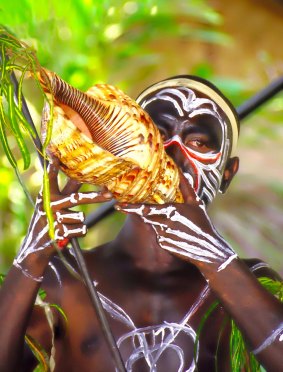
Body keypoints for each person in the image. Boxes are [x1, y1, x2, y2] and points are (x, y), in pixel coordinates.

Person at [0, 75, 282, 372]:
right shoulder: (62, 278)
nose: (170, 156)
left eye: (198, 142)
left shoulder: (251, 282)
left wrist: (216, 261)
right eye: (156, 135)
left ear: (227, 174)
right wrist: (30, 260)